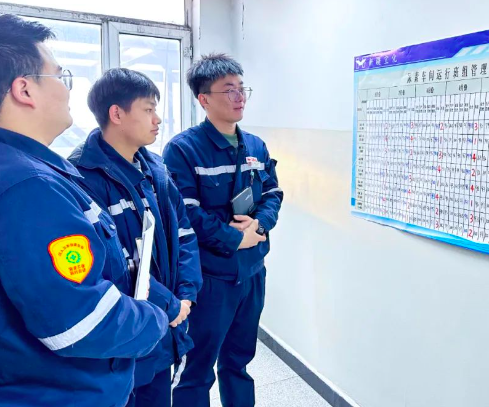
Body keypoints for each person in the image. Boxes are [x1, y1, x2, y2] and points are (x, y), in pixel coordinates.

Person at [0, 14, 169, 407]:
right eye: (60, 76)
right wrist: (155, 319)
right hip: (60, 392)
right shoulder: (29, 186)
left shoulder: (38, 169)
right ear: (25, 89)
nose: (66, 88)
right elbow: (80, 320)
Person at [68, 68, 203, 407]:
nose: (157, 119)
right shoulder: (81, 178)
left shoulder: (155, 169)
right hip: (124, 337)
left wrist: (186, 294)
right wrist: (171, 304)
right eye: (148, 109)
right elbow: (110, 267)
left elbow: (184, 233)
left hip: (165, 328)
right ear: (116, 114)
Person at [164, 53, 283, 407]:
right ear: (204, 99)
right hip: (211, 278)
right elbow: (186, 213)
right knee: (196, 370)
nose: (239, 97)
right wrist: (236, 239)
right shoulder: (183, 149)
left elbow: (273, 193)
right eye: (229, 90)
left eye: (242, 88)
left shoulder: (256, 146)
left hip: (252, 273)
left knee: (239, 362)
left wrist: (260, 224)